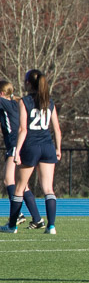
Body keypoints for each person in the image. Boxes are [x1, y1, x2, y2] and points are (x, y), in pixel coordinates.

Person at [3, 70, 60, 234]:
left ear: (28, 83)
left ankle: (12, 226)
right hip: (48, 146)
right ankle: (51, 226)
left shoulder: (25, 101)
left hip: (31, 146)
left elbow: (22, 129)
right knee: (48, 189)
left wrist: (17, 151)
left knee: (20, 187)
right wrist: (58, 149)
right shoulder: (49, 101)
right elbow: (56, 128)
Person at [1, 79, 29, 227]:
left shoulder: (6, 102)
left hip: (14, 145)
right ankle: (37, 219)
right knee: (23, 185)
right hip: (18, 145)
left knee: (8, 180)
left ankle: (18, 214)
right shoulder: (16, 103)